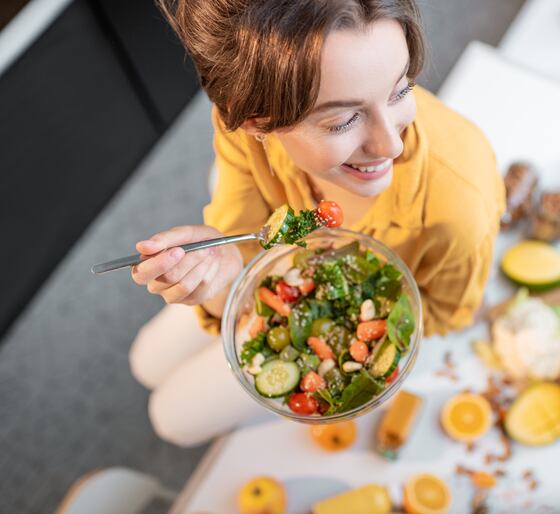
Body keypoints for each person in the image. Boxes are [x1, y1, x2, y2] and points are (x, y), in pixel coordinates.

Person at [129, 0, 504, 447]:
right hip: (275, 280)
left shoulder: (459, 207)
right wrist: (219, 279)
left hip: (357, 336)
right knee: (145, 361)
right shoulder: (240, 127)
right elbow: (244, 255)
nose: (392, 145)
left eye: (401, 89)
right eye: (344, 119)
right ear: (256, 122)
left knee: (171, 419)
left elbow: (440, 316)